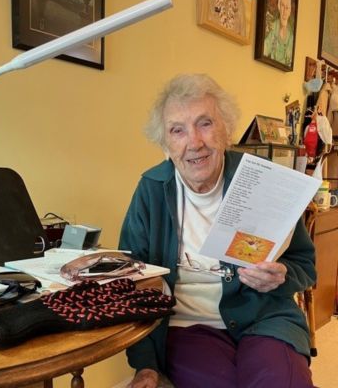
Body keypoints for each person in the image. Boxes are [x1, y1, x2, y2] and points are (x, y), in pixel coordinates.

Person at [119, 74, 316, 388]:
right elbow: (131, 284)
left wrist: (282, 275)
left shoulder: (262, 181)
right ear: (165, 143)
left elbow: (304, 265)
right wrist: (145, 364)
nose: (194, 142)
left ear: (226, 129)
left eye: (205, 123)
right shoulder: (152, 190)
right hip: (189, 328)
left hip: (267, 318)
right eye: (177, 130)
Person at [263, 0, 294, 66]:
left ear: (290, 10)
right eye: (282, 5)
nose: (284, 12)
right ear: (279, 6)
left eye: (287, 7)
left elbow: (289, 61)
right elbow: (264, 49)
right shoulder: (273, 27)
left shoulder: (291, 35)